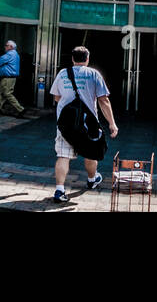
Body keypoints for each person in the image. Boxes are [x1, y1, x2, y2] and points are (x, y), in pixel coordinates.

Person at [51, 45, 118, 203]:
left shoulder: (62, 73)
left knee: (63, 156)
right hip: (88, 124)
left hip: (65, 124)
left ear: (73, 59)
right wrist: (112, 124)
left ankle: (60, 190)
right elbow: (104, 100)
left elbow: (56, 98)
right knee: (90, 153)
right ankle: (92, 179)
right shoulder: (94, 74)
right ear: (87, 59)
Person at [0, 39, 25, 116]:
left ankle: (20, 109)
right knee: (2, 93)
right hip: (9, 77)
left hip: (8, 78)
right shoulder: (15, 54)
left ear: (11, 47)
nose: (5, 47)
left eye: (6, 45)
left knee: (7, 93)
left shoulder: (10, 54)